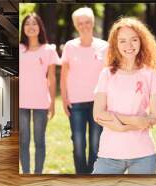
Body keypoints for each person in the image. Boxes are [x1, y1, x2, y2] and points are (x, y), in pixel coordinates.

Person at [92, 17, 156, 174]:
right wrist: (135, 122)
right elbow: (98, 113)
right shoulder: (107, 73)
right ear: (116, 45)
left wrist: (120, 125)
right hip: (109, 154)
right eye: (122, 41)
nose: (129, 45)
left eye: (134, 40)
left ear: (141, 41)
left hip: (143, 155)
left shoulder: (150, 74)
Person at [60, 7, 108, 174]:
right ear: (75, 25)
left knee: (96, 145)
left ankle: (94, 178)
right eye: (80, 23)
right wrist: (64, 99)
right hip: (76, 103)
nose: (84, 26)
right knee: (79, 144)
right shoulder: (70, 46)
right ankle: (81, 177)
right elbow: (64, 74)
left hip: (98, 103)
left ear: (93, 23)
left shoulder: (104, 46)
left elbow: (109, 75)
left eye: (87, 22)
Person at [19, 13, 59, 174]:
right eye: (27, 23)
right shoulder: (20, 49)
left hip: (42, 102)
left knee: (39, 141)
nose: (30, 26)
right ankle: (27, 174)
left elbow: (52, 78)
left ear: (39, 27)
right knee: (24, 141)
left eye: (34, 23)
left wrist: (53, 104)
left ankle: (38, 174)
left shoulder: (48, 50)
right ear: (23, 28)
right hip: (20, 103)